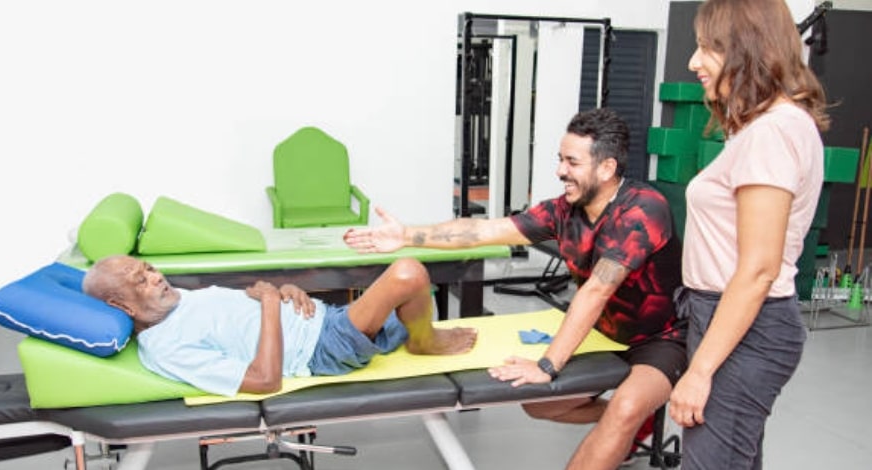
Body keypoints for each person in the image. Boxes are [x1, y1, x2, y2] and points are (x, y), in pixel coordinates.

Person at [344, 108, 686, 469]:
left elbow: (595, 291)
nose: (560, 171)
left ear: (606, 168)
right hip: (602, 332)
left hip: (660, 338)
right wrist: (407, 236)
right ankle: (635, 421)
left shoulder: (642, 210)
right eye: (560, 159)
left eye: (572, 162)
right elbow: (482, 231)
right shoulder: (562, 211)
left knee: (625, 406)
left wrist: (549, 365)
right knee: (541, 403)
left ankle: (630, 416)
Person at [669, 0, 829, 468]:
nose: (693, 62)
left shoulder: (773, 132)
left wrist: (699, 372)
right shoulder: (766, 127)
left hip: (746, 325)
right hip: (727, 317)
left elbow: (758, 270)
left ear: (744, 49)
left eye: (705, 48)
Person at [82, 255, 478, 396]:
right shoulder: (165, 346)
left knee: (416, 300)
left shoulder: (180, 300)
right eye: (140, 280)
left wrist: (287, 290)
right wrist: (272, 303)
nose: (155, 277)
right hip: (323, 347)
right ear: (120, 305)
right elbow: (265, 380)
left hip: (325, 318)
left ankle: (419, 336)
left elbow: (245, 313)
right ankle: (423, 342)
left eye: (149, 268)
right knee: (407, 274)